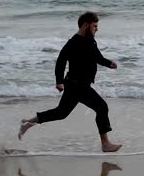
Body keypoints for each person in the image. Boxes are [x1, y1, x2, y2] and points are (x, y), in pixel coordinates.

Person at [19, 11, 122, 152]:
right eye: (94, 26)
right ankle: (105, 144)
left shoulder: (90, 40)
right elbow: (61, 61)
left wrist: (109, 64)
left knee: (61, 113)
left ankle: (28, 123)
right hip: (76, 84)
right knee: (101, 107)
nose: (97, 29)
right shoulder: (73, 42)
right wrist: (59, 81)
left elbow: (97, 57)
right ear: (86, 25)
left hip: (79, 84)